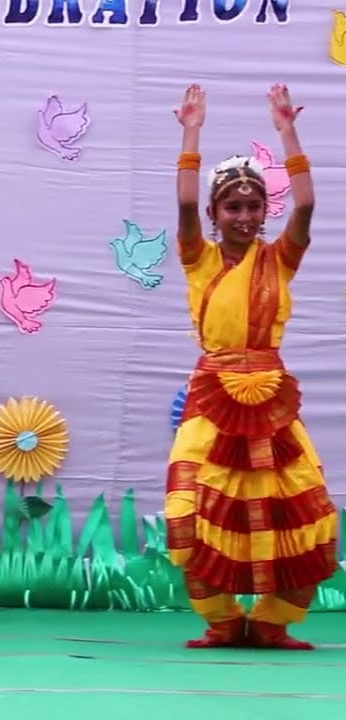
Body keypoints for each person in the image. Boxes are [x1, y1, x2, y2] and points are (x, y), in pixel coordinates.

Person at [165, 84, 337, 650]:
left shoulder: (279, 259)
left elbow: (307, 205)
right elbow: (184, 204)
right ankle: (219, 619)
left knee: (301, 513)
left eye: (253, 206)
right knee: (189, 511)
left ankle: (270, 620)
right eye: (232, 206)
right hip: (211, 396)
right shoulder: (198, 257)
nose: (243, 215)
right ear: (216, 214)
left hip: (271, 401)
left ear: (266, 211)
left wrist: (288, 132)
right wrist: (192, 131)